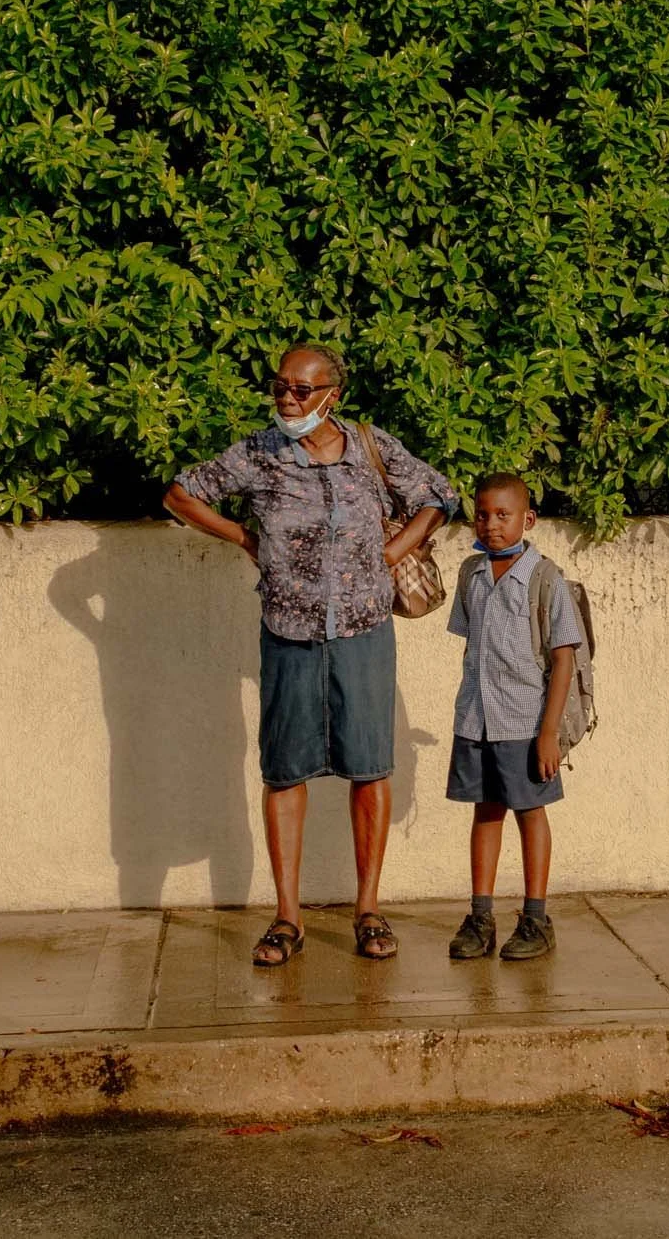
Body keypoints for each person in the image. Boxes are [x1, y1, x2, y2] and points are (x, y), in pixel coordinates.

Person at [164, 345, 458, 966]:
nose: (288, 400)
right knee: (284, 772)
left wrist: (395, 549)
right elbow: (181, 495)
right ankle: (286, 917)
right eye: (280, 388)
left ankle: (368, 910)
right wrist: (246, 537)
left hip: (363, 631)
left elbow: (439, 494)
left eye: (301, 390)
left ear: (333, 395)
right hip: (289, 632)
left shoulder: (371, 448)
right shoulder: (259, 454)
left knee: (370, 768)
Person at [443, 473, 584, 961]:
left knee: (529, 813)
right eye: (483, 514)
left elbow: (564, 657)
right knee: (485, 812)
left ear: (528, 519)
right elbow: (474, 648)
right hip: (477, 719)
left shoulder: (544, 579)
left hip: (525, 724)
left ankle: (536, 918)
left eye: (503, 515)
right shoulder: (472, 574)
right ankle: (481, 918)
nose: (491, 524)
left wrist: (549, 734)